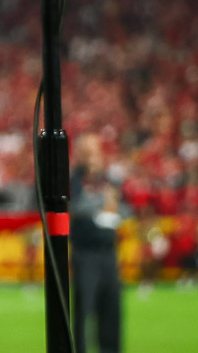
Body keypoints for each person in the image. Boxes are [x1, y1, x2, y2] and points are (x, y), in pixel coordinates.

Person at [70, 133, 125, 353]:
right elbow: (74, 207)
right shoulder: (73, 180)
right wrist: (102, 203)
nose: (90, 157)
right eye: (86, 152)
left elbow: (122, 208)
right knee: (84, 311)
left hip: (108, 252)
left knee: (111, 309)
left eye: (93, 151)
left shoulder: (109, 179)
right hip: (85, 252)